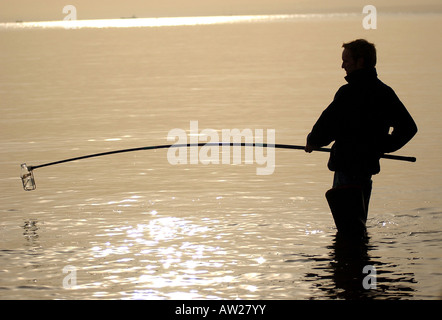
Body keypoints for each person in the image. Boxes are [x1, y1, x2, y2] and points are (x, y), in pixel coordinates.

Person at [305, 39, 417, 234]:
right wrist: (383, 146)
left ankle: (351, 261)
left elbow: (327, 125)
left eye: (347, 61)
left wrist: (313, 142)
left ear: (360, 62)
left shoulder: (348, 93)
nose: (342, 66)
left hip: (346, 169)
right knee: (358, 225)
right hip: (366, 170)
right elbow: (408, 127)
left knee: (348, 229)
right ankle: (360, 260)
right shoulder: (384, 93)